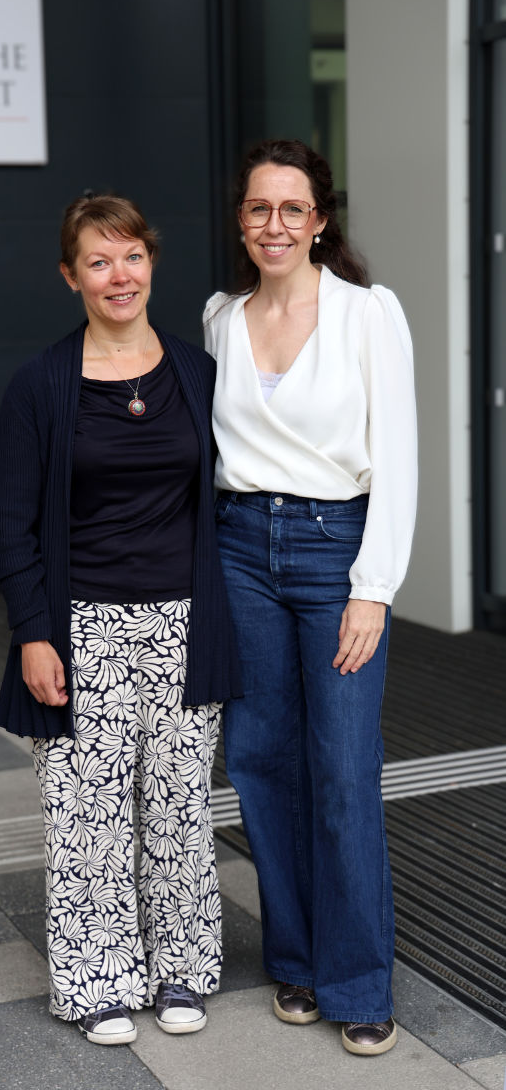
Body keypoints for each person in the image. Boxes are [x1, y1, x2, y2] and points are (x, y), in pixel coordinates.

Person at [0, 192, 242, 1046]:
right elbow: (12, 527)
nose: (118, 275)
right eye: (98, 261)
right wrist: (33, 631)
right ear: (71, 277)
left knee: (176, 808)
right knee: (86, 813)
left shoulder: (195, 371)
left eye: (130, 256)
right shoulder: (39, 385)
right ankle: (99, 978)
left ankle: (181, 970)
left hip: (185, 623)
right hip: (81, 629)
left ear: (151, 264)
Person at [204, 139, 417, 1056]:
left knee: (342, 771)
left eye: (293, 208)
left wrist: (374, 588)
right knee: (259, 761)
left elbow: (399, 456)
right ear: (241, 221)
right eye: (259, 208)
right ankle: (293, 958)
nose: (275, 224)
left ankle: (360, 979)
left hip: (337, 556)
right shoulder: (220, 315)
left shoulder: (368, 314)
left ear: (321, 219)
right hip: (240, 548)